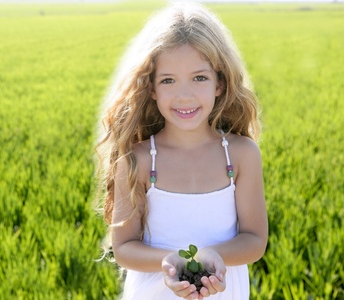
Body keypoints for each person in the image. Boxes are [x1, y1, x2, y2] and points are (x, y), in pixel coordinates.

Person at [95, 2, 268, 299]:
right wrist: (169, 262)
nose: (184, 95)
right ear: (151, 88)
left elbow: (254, 240)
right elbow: (123, 247)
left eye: (199, 77)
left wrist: (211, 257)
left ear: (220, 83)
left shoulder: (240, 155)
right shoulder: (136, 160)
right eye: (168, 80)